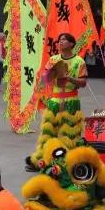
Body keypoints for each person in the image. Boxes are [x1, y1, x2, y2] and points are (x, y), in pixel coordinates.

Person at [26, 33, 87, 170]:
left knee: (70, 134)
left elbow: (83, 83)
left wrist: (69, 78)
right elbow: (44, 79)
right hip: (54, 100)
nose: (61, 42)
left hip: (71, 100)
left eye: (64, 40)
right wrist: (51, 73)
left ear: (71, 44)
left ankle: (68, 163)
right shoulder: (53, 59)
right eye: (59, 40)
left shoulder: (79, 62)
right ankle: (41, 160)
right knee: (47, 132)